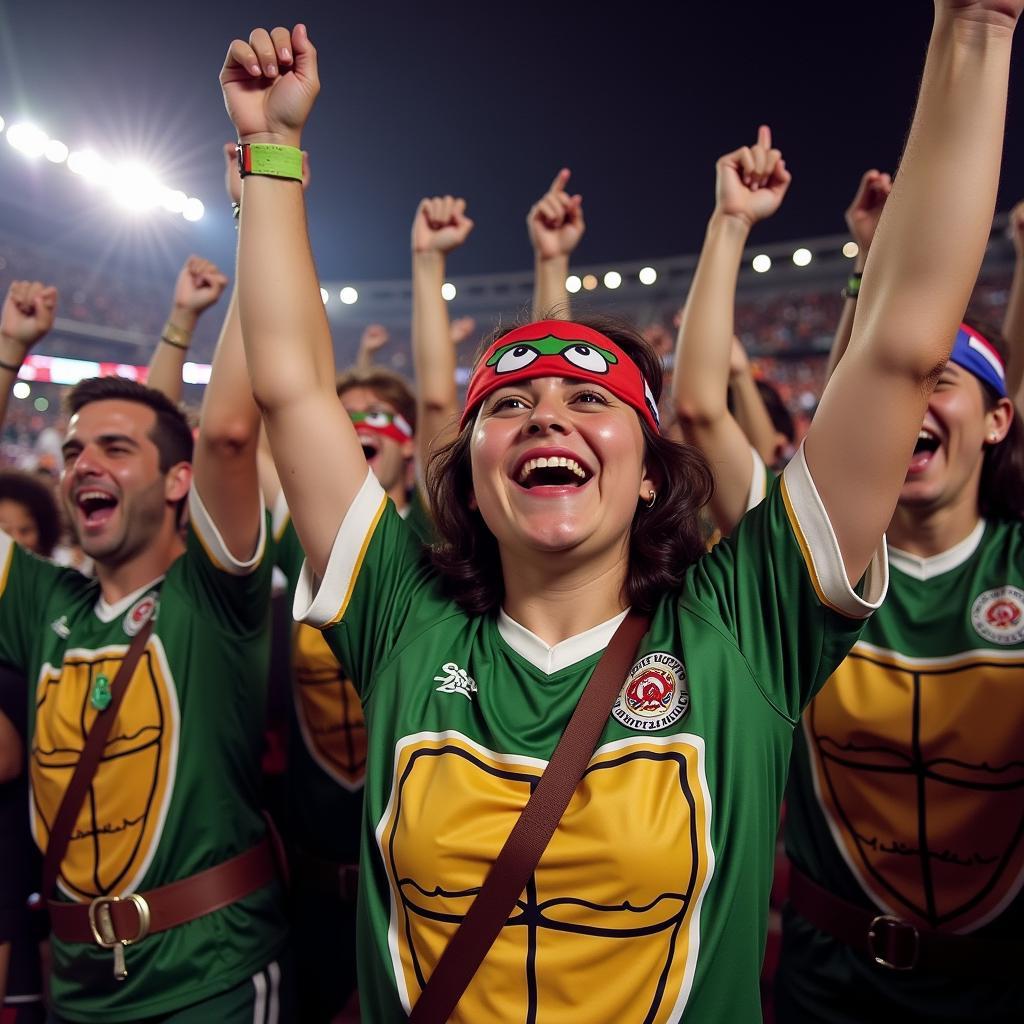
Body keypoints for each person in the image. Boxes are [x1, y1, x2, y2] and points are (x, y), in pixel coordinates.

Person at [223, 7, 1018, 1019]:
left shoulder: (743, 628)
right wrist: (274, 148)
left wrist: (974, 27)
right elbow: (292, 388)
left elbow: (903, 342)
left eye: (589, 399)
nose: (544, 412)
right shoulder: (401, 617)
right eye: (507, 405)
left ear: (651, 474)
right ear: (467, 478)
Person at [672, 122, 1024, 1024]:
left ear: (996, 419)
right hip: (827, 977)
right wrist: (729, 223)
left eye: (942, 382)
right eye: (908, 384)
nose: (913, 403)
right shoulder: (803, 565)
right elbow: (702, 405)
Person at [0, 253, 288, 1019]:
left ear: (175, 483)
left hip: (208, 977)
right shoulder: (40, 603)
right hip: (75, 983)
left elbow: (225, 434)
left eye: (114, 450)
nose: (81, 464)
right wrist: (6, 351)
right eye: (71, 453)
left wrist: (256, 200)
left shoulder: (215, 597)